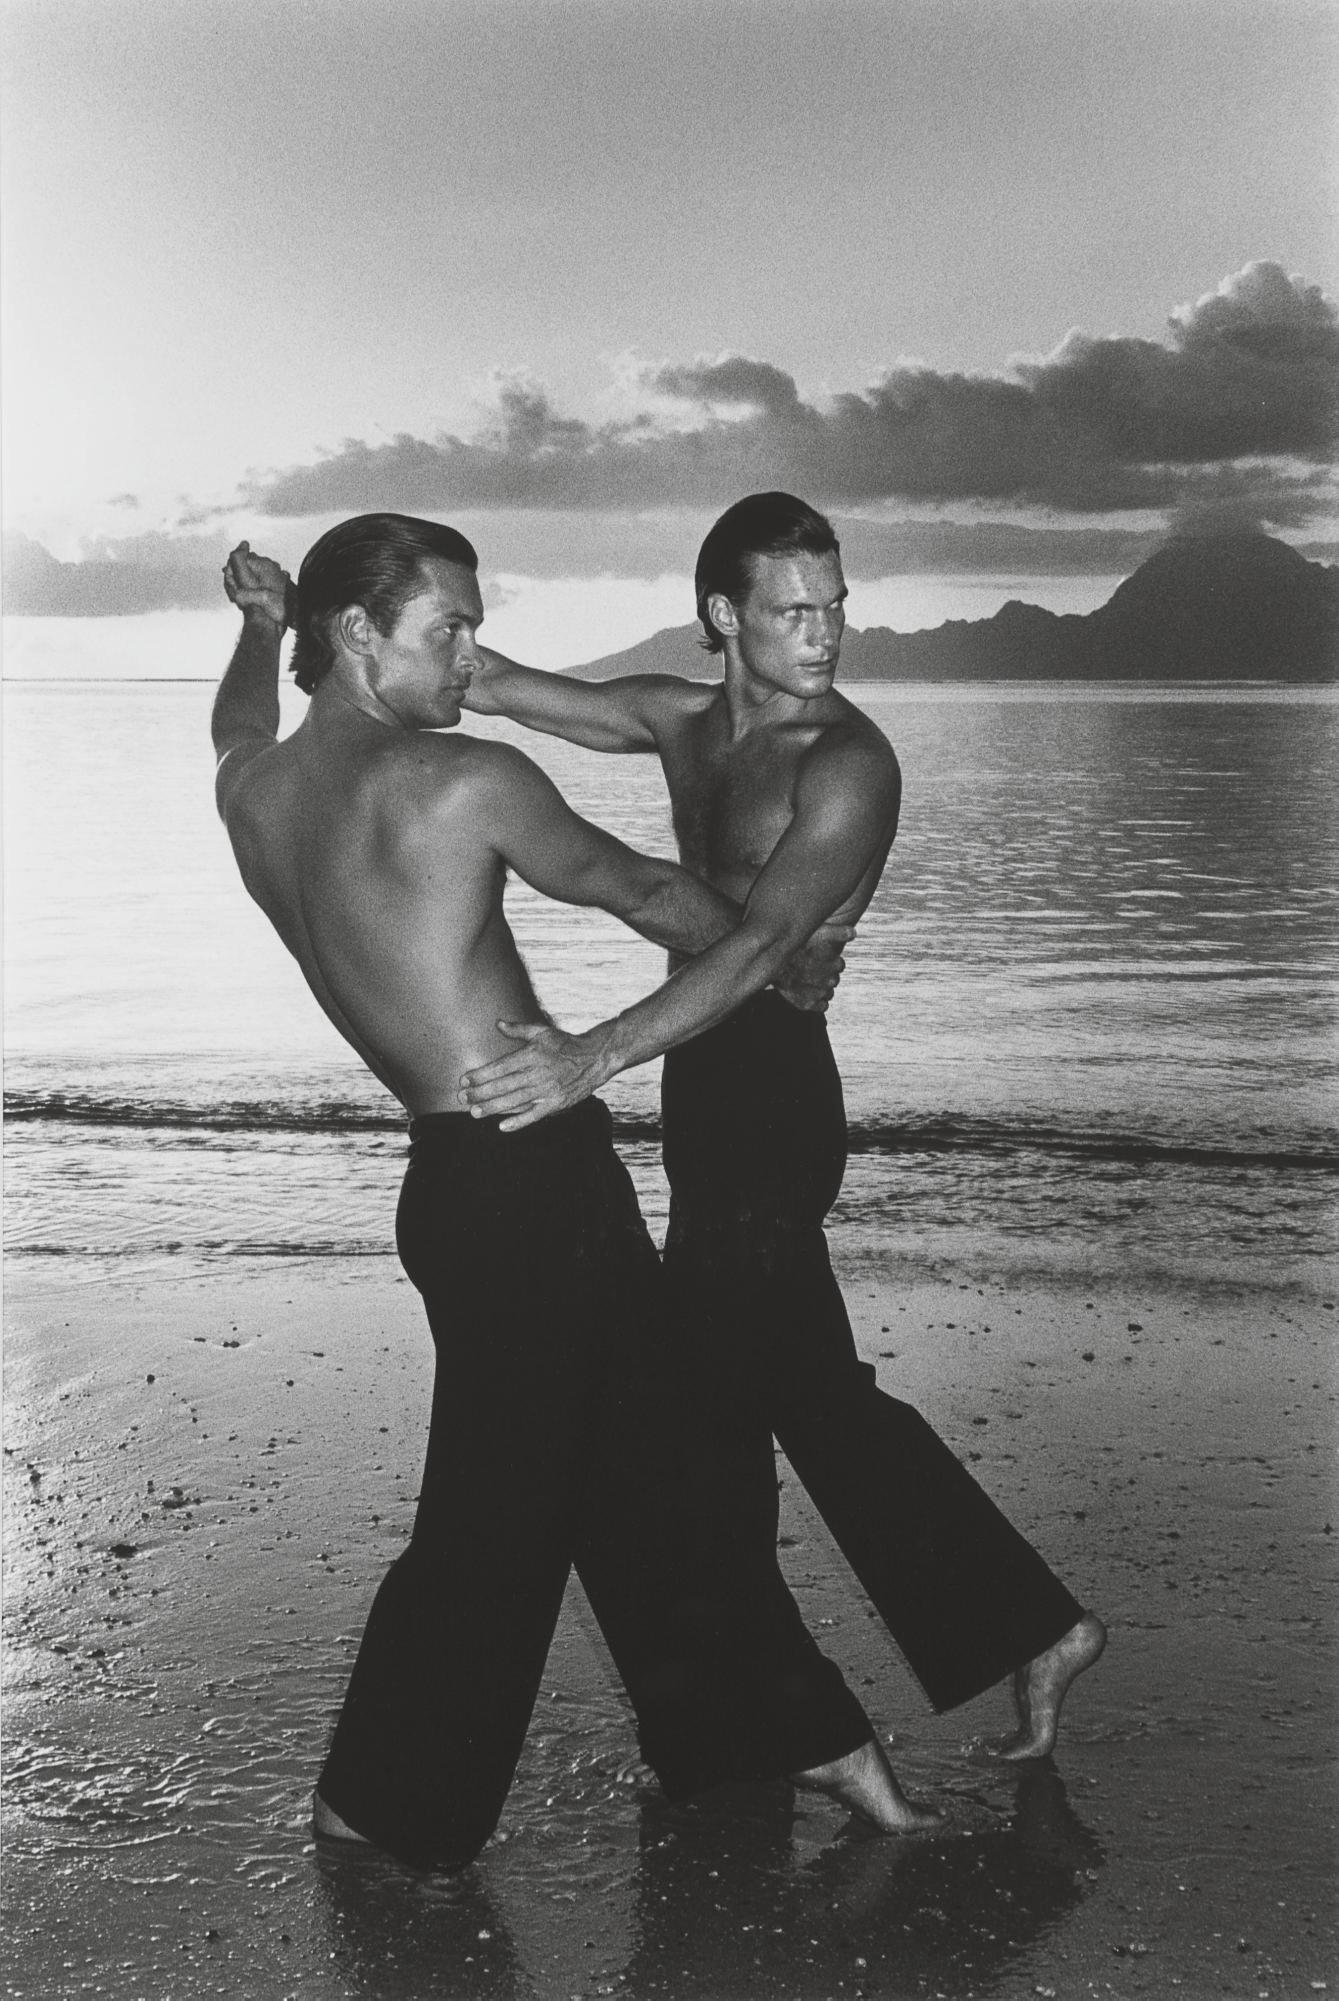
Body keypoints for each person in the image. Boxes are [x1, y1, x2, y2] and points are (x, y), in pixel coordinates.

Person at [211, 513, 939, 1874]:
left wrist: (256, 636)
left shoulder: (256, 791)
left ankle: (766, 1735)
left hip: (449, 1190)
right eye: (450, 630)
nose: (471, 656)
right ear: (359, 636)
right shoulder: (461, 782)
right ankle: (387, 1798)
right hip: (538, 1185)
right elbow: (642, 886)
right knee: (505, 1514)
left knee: (643, 1469)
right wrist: (774, 961)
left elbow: (234, 728)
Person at [451, 492, 1107, 1755]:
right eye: (795, 611)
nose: (826, 634)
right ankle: (967, 1641)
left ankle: (791, 1690)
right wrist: (298, 628)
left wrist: (594, 1055)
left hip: (774, 1093)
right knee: (761, 1389)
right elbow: (499, 684)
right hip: (705, 1079)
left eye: (837, 606)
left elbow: (760, 948)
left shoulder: (847, 760)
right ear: (724, 617)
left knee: (751, 1390)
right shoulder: (683, 720)